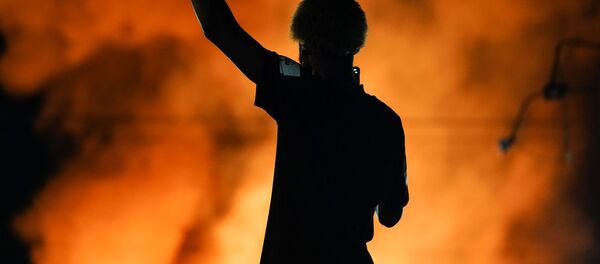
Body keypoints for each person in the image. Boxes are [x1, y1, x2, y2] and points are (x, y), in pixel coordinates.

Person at [191, 0, 409, 263]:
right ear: (354, 45)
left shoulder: (298, 94)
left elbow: (218, 27)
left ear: (305, 46)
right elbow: (389, 216)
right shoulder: (386, 121)